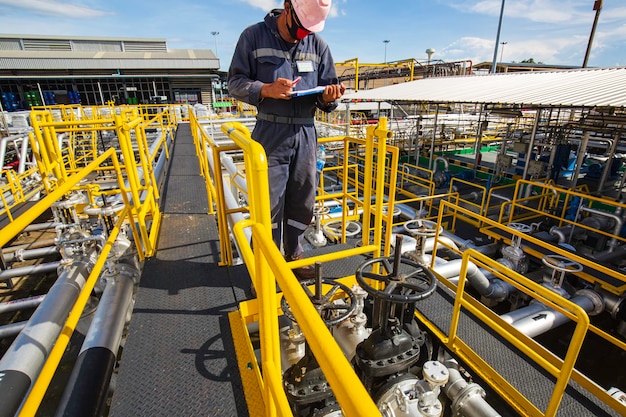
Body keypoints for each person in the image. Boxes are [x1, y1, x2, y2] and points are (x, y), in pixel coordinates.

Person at [228, 0, 345, 280]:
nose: (304, 35)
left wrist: (329, 99)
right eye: (301, 28)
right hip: (270, 133)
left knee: (302, 200)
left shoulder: (318, 45)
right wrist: (265, 89)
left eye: (310, 30)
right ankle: (264, 267)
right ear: (287, 8)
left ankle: (294, 253)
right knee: (267, 204)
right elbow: (234, 82)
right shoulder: (253, 37)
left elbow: (328, 90)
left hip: (306, 133)